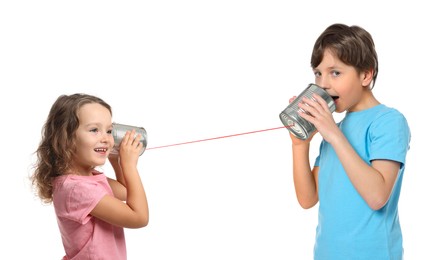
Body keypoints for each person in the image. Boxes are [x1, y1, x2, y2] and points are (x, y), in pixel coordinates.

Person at [288, 23, 411, 259]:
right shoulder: (335, 130)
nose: (323, 84)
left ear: (366, 74)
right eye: (318, 73)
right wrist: (299, 145)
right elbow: (308, 198)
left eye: (335, 72)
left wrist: (333, 134)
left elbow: (377, 197)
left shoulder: (388, 121)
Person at [30, 93, 149, 260]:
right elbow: (139, 218)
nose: (106, 139)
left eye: (109, 131)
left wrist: (118, 162)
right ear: (66, 138)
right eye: (94, 130)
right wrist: (130, 166)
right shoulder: (77, 189)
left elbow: (126, 192)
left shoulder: (86, 179)